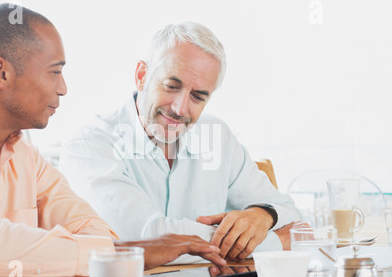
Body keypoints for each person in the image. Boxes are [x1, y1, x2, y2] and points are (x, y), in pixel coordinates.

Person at [0, 4, 227, 277]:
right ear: (2, 73)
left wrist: (14, 264)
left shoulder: (27, 159)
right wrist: (4, 262)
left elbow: (99, 233)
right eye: (54, 72)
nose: (63, 88)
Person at [61, 22, 303, 264]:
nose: (180, 108)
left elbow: (293, 218)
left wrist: (262, 214)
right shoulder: (90, 145)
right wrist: (274, 243)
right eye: (171, 86)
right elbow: (146, 239)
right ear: (142, 76)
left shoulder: (217, 136)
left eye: (198, 97)